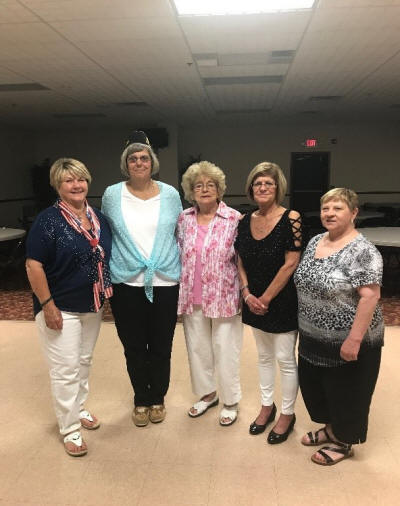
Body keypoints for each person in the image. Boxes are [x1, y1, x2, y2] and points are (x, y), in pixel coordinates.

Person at [26, 158, 112, 457]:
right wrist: (47, 305)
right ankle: (69, 428)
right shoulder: (47, 221)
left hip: (92, 304)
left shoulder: (98, 217)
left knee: (84, 361)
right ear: (57, 185)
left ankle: (79, 407)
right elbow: (33, 265)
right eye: (68, 180)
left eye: (81, 179)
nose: (76, 185)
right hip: (60, 305)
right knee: (65, 370)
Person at [294, 188, 384, 466]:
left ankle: (344, 442)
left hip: (349, 338)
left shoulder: (363, 251)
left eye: (338, 208)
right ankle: (331, 428)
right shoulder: (315, 241)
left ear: (354, 212)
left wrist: (354, 340)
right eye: (325, 208)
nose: (329, 214)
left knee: (347, 391)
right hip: (313, 335)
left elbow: (370, 296)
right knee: (319, 388)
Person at [101, 131, 182, 427]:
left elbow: (180, 232)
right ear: (126, 164)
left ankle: (157, 397)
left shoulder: (170, 194)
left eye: (144, 158)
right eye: (133, 158)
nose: (139, 163)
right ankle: (141, 398)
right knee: (133, 345)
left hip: (164, 281)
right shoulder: (112, 194)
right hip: (126, 282)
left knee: (161, 344)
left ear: (152, 162)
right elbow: (105, 233)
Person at [235, 162, 302, 444]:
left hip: (282, 299)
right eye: (258, 183)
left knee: (285, 359)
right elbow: (239, 258)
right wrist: (247, 293)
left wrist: (265, 298)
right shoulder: (243, 220)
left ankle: (287, 413)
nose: (262, 187)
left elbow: (291, 262)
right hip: (252, 299)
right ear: (251, 189)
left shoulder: (291, 218)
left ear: (278, 188)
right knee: (263, 357)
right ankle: (266, 406)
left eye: (268, 183)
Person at [178, 161, 243, 426]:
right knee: (198, 348)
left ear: (219, 189)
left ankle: (230, 400)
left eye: (210, 185)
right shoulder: (184, 218)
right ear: (190, 191)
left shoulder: (234, 218)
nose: (204, 189)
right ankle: (208, 394)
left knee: (225, 349)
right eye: (198, 186)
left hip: (224, 295)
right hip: (191, 294)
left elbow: (242, 259)